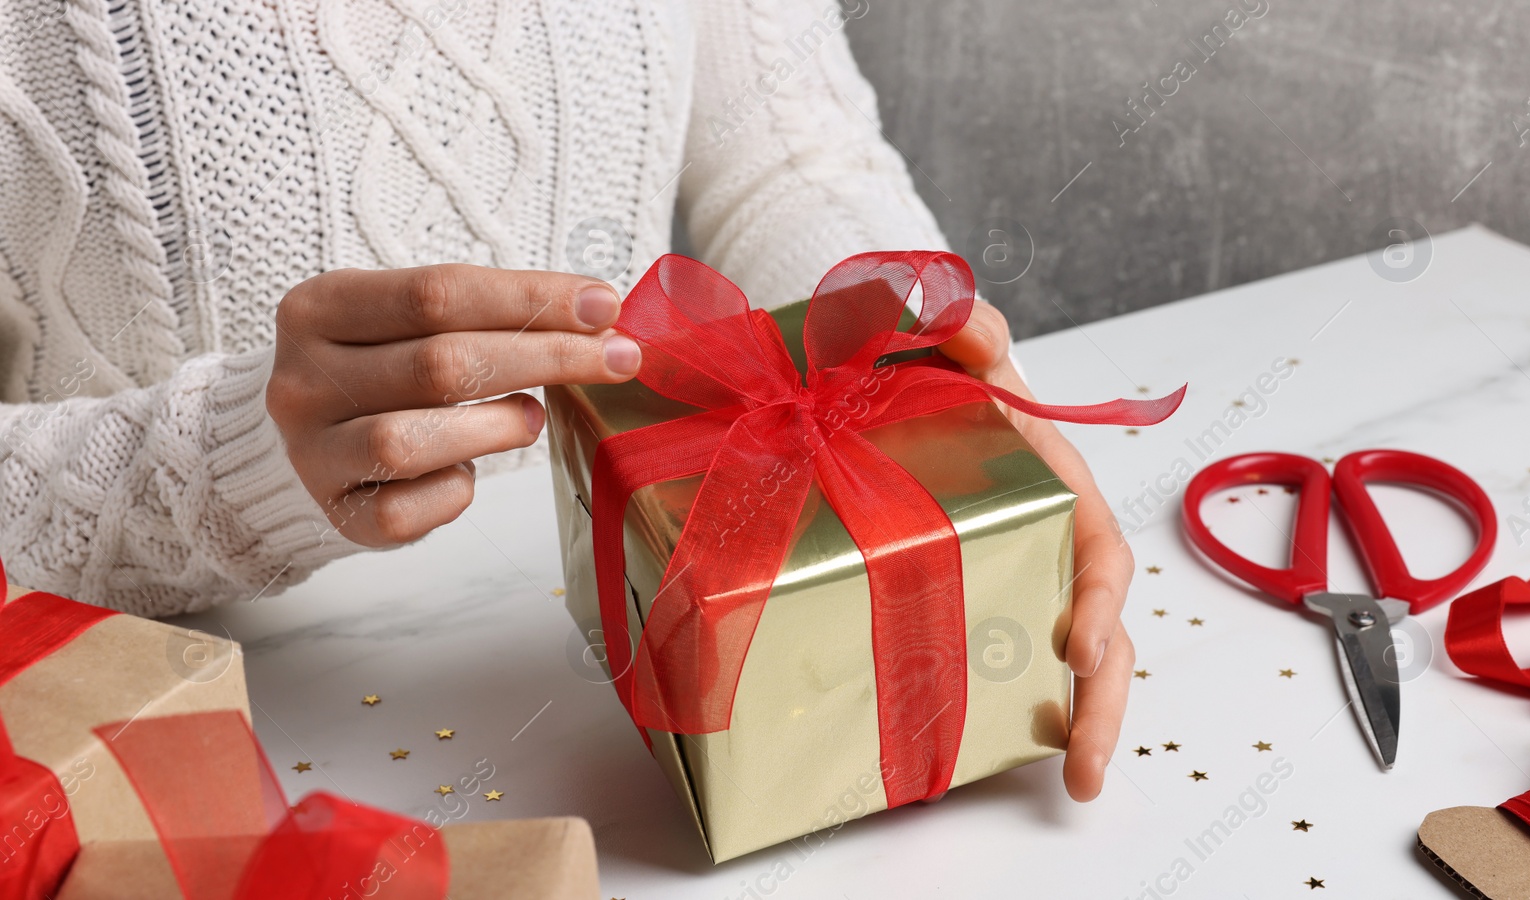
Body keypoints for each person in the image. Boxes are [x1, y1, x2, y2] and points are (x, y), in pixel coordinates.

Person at [0, 0, 1134, 801]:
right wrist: (217, 469)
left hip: (622, 676)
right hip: (135, 749)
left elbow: (790, 158)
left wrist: (949, 419)